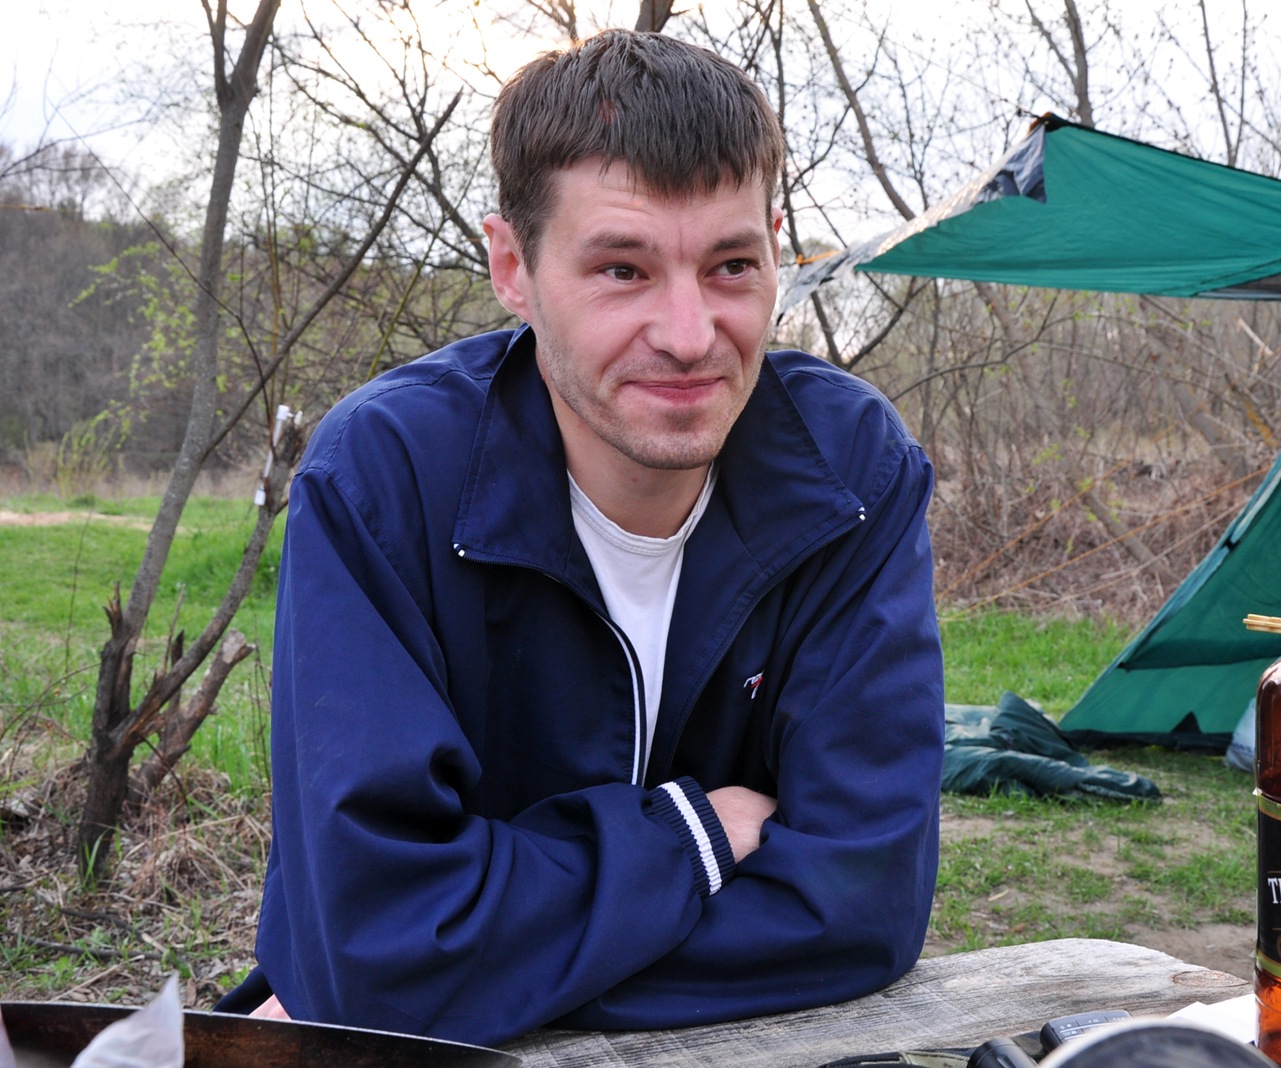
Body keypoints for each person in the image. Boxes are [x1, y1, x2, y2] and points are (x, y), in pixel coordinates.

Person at [215, 29, 945, 1046]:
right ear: (512, 267)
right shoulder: (387, 478)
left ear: (778, 250)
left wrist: (475, 971)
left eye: (733, 265)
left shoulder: (851, 472)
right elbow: (377, 944)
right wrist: (696, 839)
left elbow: (863, 908)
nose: (689, 335)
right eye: (622, 269)